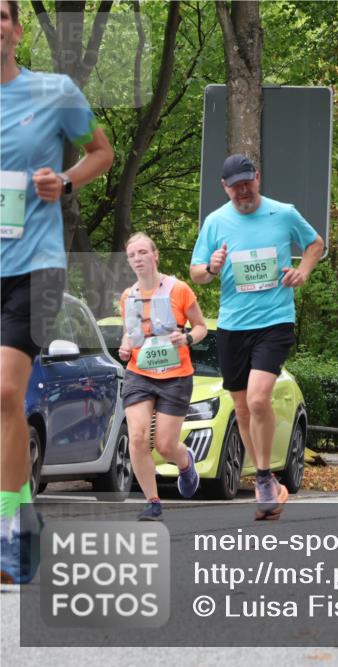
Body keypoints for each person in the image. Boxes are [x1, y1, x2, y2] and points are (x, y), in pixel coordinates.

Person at [0, 0, 114, 583]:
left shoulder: (54, 91)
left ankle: (8, 524)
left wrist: (64, 180)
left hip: (35, 268)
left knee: (4, 392)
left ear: (16, 30)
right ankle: (20, 515)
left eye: (0, 14)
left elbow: (103, 151)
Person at [190, 154, 324, 520]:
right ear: (225, 187)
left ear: (258, 178)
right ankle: (265, 480)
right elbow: (196, 271)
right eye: (235, 185)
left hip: (274, 321)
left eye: (247, 182)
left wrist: (303, 271)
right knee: (243, 406)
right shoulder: (216, 222)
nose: (243, 190)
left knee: (259, 397)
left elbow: (315, 244)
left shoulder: (283, 213)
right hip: (233, 326)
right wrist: (211, 268)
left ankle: (264, 476)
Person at [118, 233, 207, 520]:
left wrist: (187, 339)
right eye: (132, 255)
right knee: (138, 437)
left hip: (175, 375)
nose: (138, 259)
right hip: (139, 373)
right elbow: (130, 334)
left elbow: (201, 326)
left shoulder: (178, 290)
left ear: (155, 255)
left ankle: (185, 462)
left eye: (143, 252)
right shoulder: (127, 296)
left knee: (165, 445)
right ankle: (153, 501)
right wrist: (124, 345)